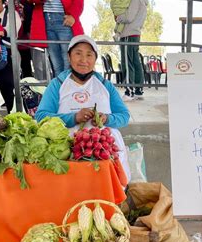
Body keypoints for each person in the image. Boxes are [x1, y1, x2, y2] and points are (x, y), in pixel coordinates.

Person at [36, 35, 131, 180]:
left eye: (89, 55)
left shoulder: (105, 85)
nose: (84, 60)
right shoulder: (58, 84)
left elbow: (124, 116)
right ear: (69, 56)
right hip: (69, 150)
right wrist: (73, 118)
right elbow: (41, 116)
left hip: (104, 149)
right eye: (78, 53)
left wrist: (106, 118)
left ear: (95, 59)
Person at [28, 0, 83, 76]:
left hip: (64, 17)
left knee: (68, 59)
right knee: (55, 62)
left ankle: (68, 86)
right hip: (45, 19)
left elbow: (78, 1)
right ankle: (60, 86)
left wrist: (73, 15)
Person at [117, 0, 147, 101]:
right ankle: (138, 91)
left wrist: (118, 17)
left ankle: (129, 92)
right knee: (135, 62)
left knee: (127, 62)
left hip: (128, 34)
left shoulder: (135, 0)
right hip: (136, 34)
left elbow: (129, 17)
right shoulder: (143, 1)